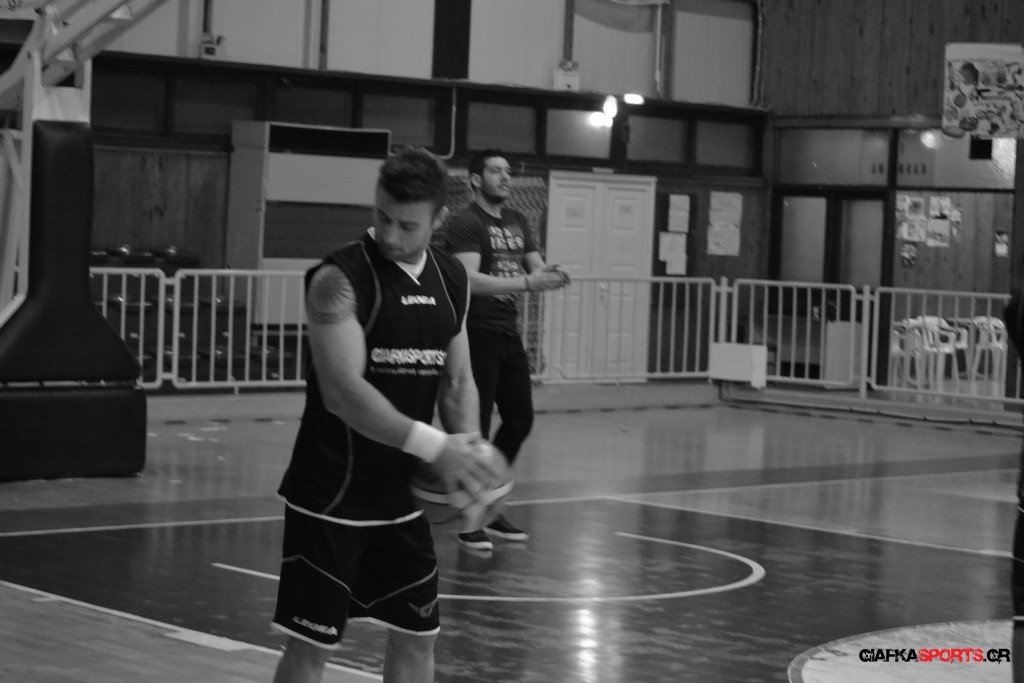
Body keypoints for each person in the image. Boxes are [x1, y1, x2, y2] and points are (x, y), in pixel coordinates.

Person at [271, 147, 505, 683]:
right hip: (332, 497)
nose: (391, 235)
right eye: (382, 217)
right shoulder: (337, 278)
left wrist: (470, 458)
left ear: (438, 219)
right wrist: (437, 447)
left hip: (403, 501)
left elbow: (457, 382)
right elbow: (343, 393)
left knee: (419, 638)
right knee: (311, 648)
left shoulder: (452, 277)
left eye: (407, 225)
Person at [442, 148, 570, 552]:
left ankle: (489, 496)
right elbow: (469, 280)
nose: (505, 177)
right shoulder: (466, 222)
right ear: (475, 179)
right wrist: (528, 284)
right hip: (475, 331)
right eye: (496, 171)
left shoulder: (517, 220)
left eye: (508, 172)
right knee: (476, 427)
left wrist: (551, 274)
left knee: (519, 419)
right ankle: (471, 519)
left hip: (507, 331)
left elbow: (535, 267)